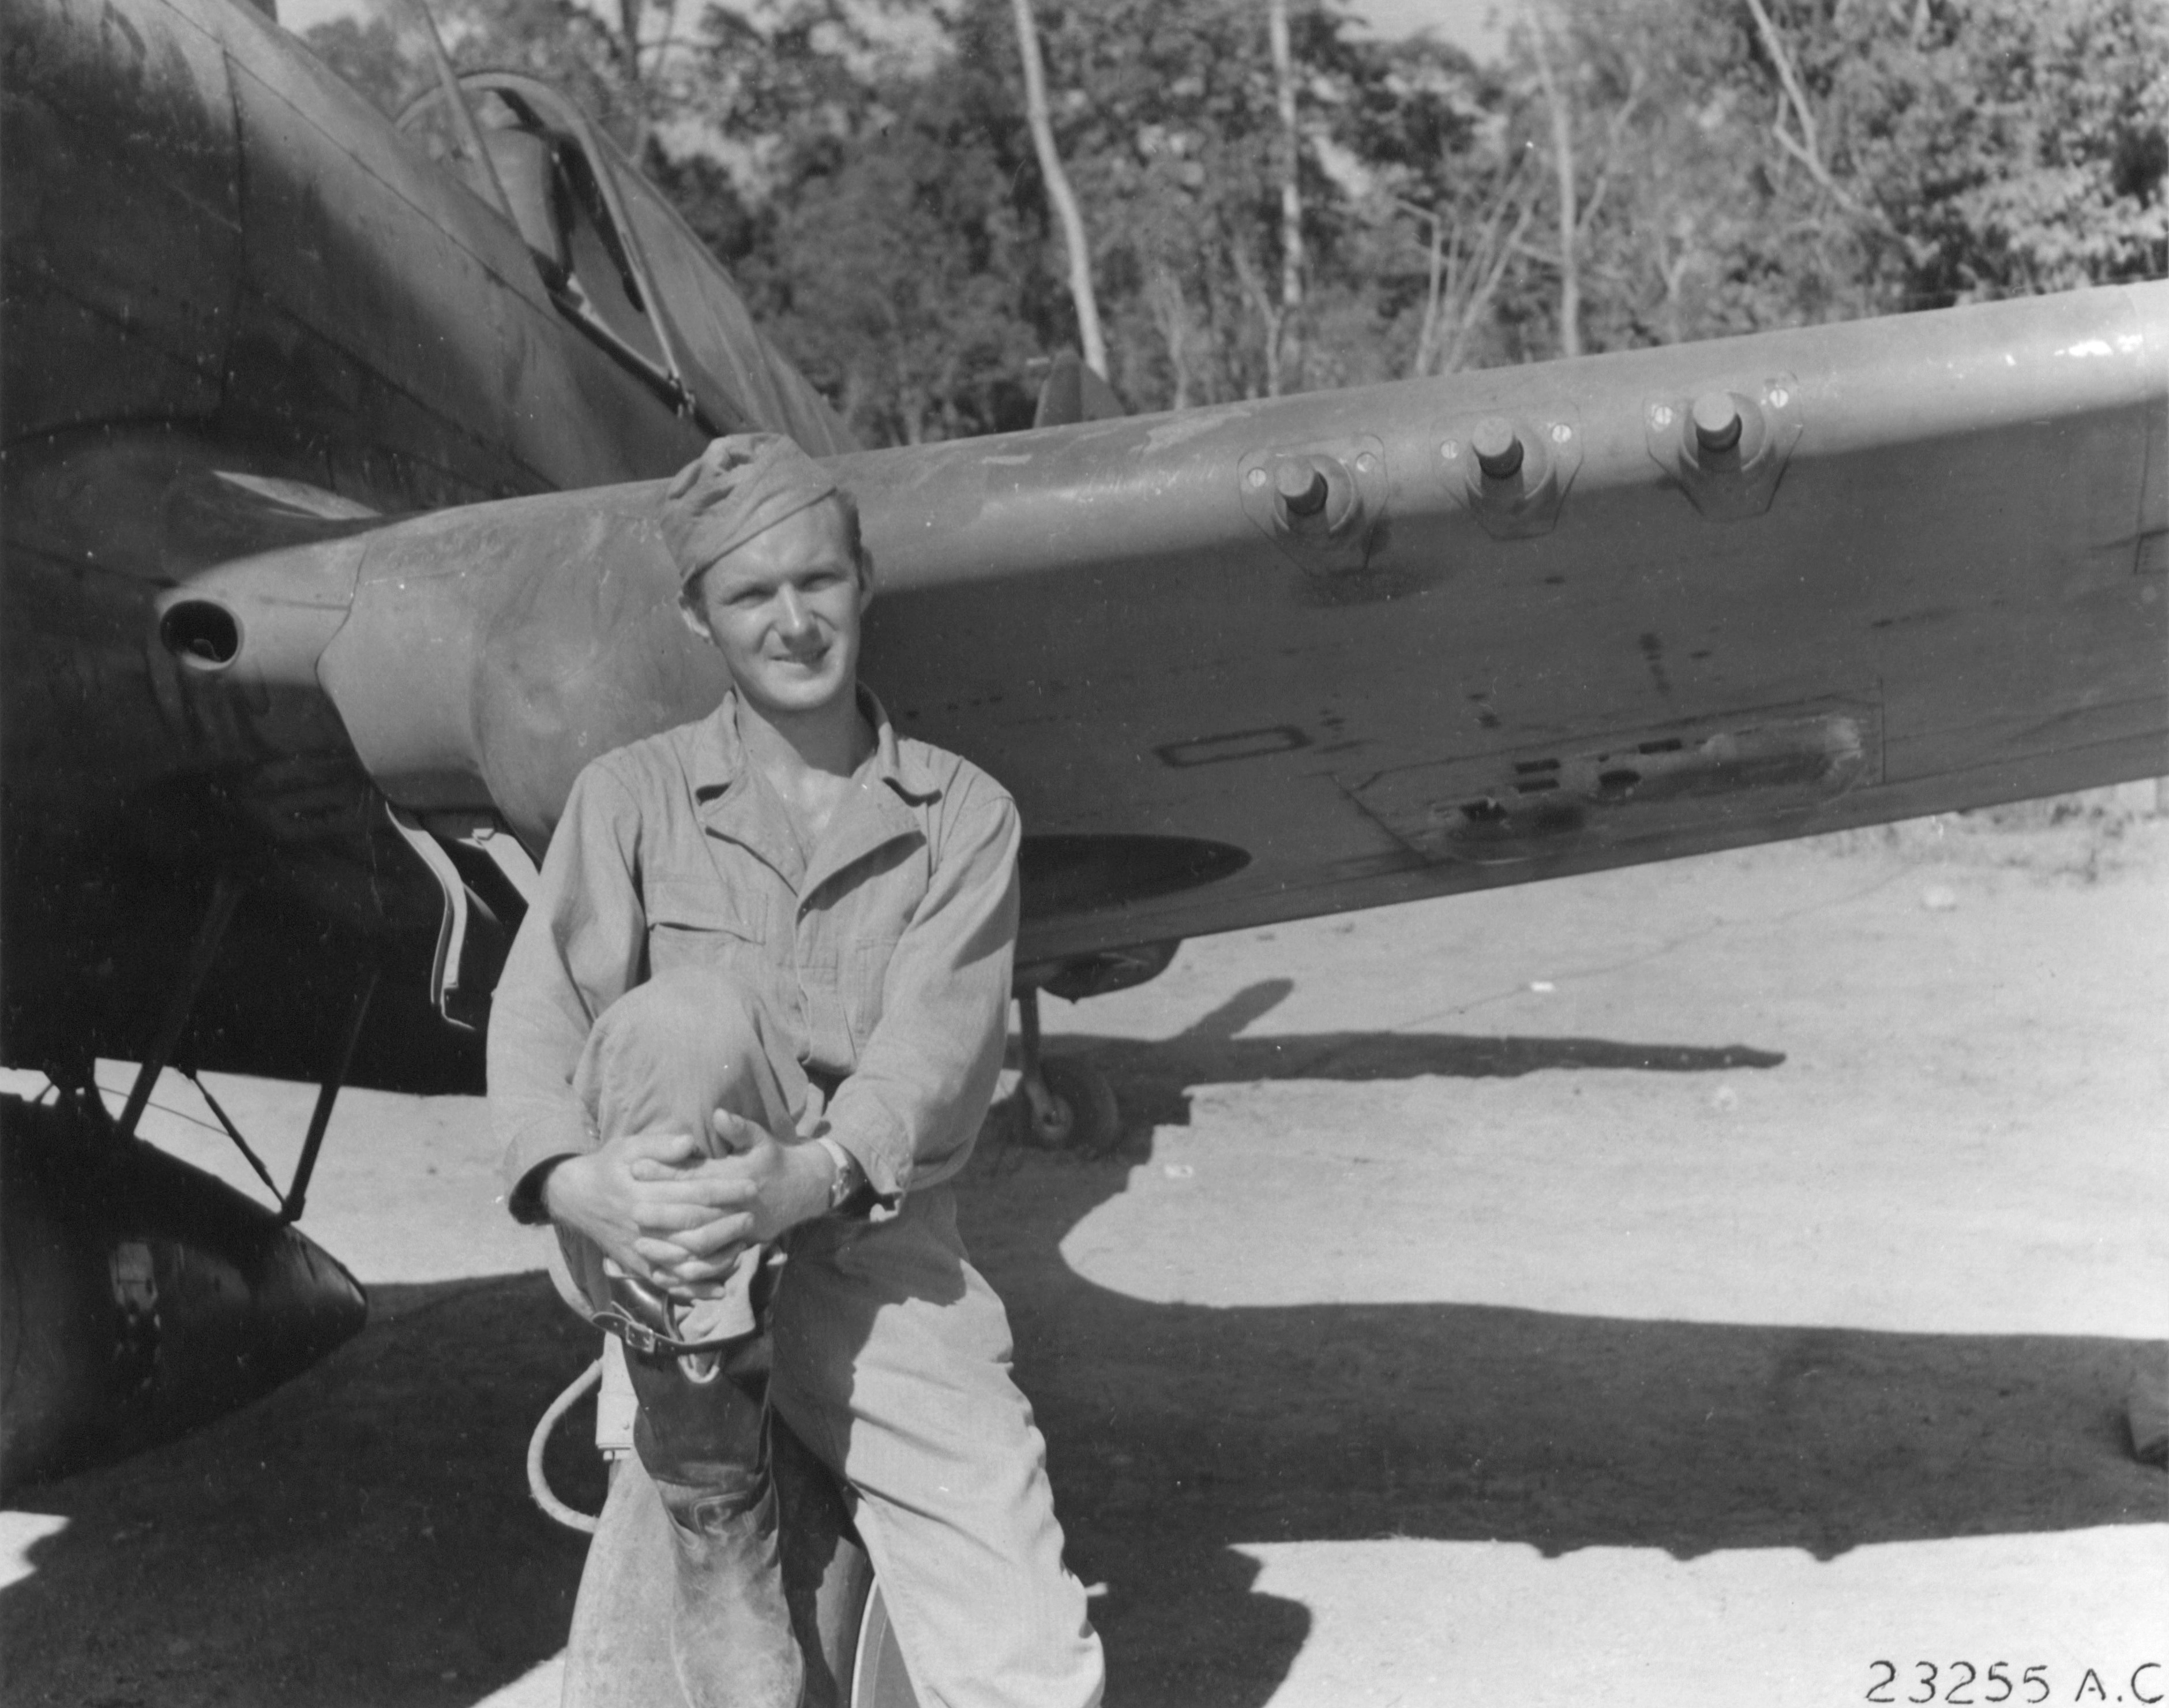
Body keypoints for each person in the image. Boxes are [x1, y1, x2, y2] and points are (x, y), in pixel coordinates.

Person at [488, 434, 1105, 1708]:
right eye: (751, 594)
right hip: (678, 1272)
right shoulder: (629, 799)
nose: (792, 620)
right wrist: (567, 1180)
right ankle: (712, 1507)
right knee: (679, 1020)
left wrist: (812, 1173)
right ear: (696, 616)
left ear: (863, 581)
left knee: (1032, 1673)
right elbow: (541, 1014)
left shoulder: (961, 816)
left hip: (878, 1265)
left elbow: (936, 1051)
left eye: (816, 582)